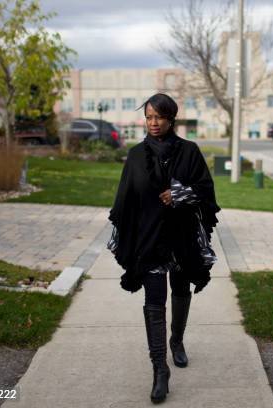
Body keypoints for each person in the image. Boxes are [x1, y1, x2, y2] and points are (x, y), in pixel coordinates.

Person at [107, 93, 220, 404]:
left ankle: (177, 341)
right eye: (148, 117)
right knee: (154, 300)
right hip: (150, 239)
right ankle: (159, 370)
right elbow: (125, 200)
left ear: (172, 118)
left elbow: (206, 192)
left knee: (181, 289)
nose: (153, 123)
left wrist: (179, 194)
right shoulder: (134, 155)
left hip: (181, 237)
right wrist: (124, 237)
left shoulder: (189, 152)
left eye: (159, 117)